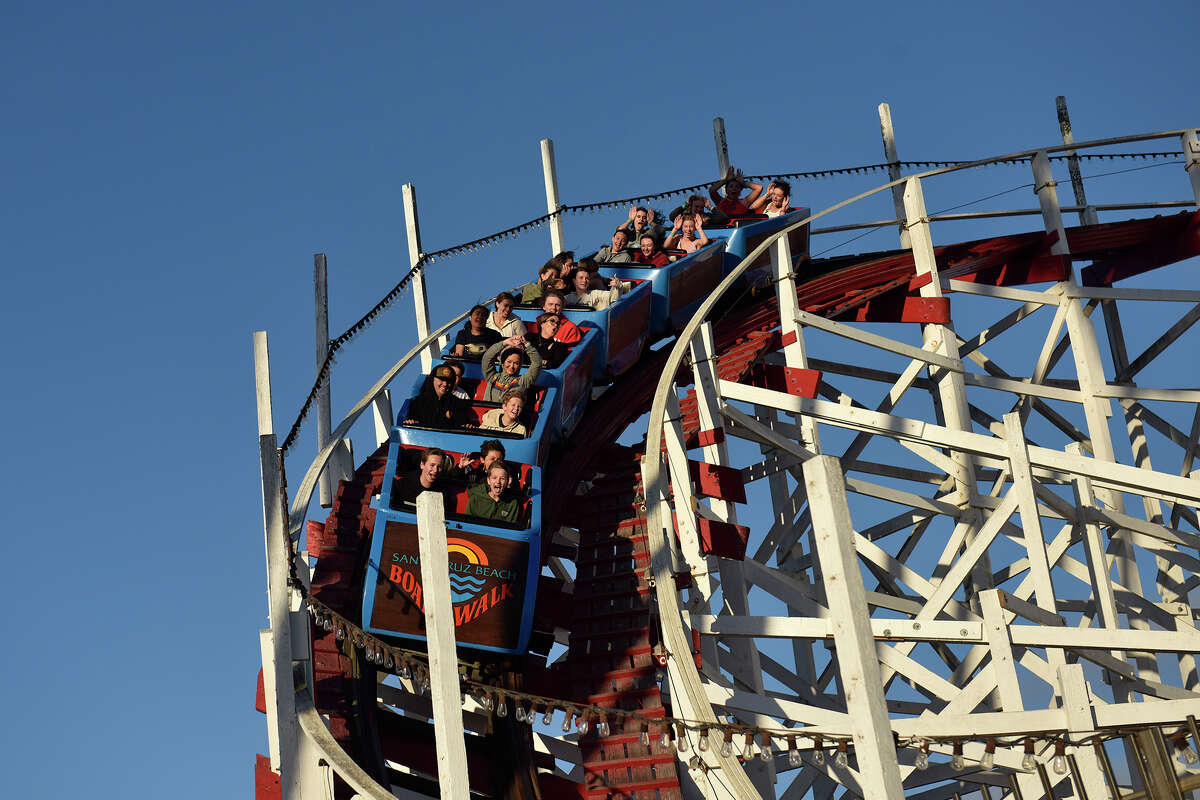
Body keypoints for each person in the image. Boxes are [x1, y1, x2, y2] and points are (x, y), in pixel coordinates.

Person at [403, 364, 470, 428]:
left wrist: (466, 426)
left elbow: (462, 425)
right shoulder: (418, 402)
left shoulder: (458, 404)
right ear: (432, 379)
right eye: (441, 379)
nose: (445, 384)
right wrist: (410, 422)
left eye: (449, 381)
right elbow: (411, 422)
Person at [481, 336, 542, 403]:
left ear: (520, 365)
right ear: (502, 362)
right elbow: (487, 358)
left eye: (516, 363)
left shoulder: (523, 381)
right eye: (509, 362)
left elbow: (537, 363)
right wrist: (504, 343)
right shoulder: (492, 377)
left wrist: (526, 345)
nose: (512, 366)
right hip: (489, 413)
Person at [566, 266, 630, 311]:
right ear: (574, 281)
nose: (584, 281)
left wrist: (617, 286)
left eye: (587, 278)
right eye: (581, 278)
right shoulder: (567, 298)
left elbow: (613, 298)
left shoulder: (596, 294)